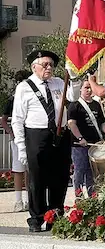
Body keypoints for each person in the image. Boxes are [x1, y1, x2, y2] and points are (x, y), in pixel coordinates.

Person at [11, 50, 82, 232]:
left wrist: (73, 78)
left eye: (51, 64)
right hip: (36, 136)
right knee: (37, 179)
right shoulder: (24, 87)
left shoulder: (59, 83)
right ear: (34, 67)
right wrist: (21, 147)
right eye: (45, 64)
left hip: (60, 134)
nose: (49, 68)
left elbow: (74, 97)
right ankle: (36, 217)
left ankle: (55, 216)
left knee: (59, 177)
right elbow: (18, 119)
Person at [67, 80, 105, 198]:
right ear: (80, 89)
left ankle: (92, 197)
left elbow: (101, 122)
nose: (88, 90)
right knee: (80, 171)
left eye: (90, 88)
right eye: (86, 88)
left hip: (95, 143)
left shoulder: (96, 104)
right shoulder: (74, 105)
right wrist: (80, 137)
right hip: (79, 145)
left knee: (92, 172)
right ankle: (79, 196)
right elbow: (72, 124)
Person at [1, 69, 32, 212]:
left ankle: (28, 199)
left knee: (29, 170)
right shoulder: (13, 99)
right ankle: (18, 200)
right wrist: (12, 133)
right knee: (18, 169)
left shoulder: (32, 96)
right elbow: (4, 120)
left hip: (32, 137)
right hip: (18, 139)